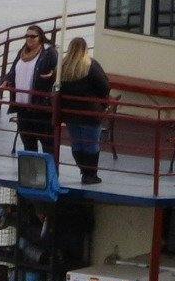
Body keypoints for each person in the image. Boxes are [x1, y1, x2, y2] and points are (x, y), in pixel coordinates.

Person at [54, 38, 111, 184]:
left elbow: (56, 86)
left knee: (77, 143)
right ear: (85, 49)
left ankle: (83, 171)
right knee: (91, 144)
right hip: (90, 113)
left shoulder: (63, 67)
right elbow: (104, 86)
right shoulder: (90, 65)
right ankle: (90, 175)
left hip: (70, 113)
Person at [9, 26, 56, 154]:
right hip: (23, 108)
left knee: (47, 145)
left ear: (40, 37)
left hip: (41, 107)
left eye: (33, 36)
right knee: (28, 144)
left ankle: (50, 173)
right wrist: (6, 80)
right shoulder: (22, 52)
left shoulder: (48, 52)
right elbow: (12, 70)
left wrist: (53, 74)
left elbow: (57, 70)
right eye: (27, 36)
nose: (29, 39)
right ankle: (32, 173)